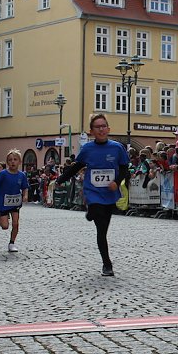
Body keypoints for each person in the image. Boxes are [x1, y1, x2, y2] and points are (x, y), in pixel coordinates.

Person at [54, 113, 130, 276]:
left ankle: (106, 262)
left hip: (109, 193)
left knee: (102, 231)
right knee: (96, 211)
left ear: (108, 129)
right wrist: (61, 179)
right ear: (91, 131)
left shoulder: (117, 148)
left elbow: (124, 168)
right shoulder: (87, 148)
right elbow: (77, 166)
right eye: (98, 127)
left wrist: (117, 181)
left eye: (104, 126)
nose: (101, 129)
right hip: (93, 191)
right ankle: (107, 264)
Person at [0, 149, 29, 252]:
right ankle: (2, 216)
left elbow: (25, 187)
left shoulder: (22, 175)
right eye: (10, 160)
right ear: (7, 162)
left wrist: (25, 196)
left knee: (15, 223)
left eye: (15, 159)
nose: (13, 162)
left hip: (15, 202)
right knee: (5, 226)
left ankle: (12, 243)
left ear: (19, 162)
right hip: (3, 202)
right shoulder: (3, 174)